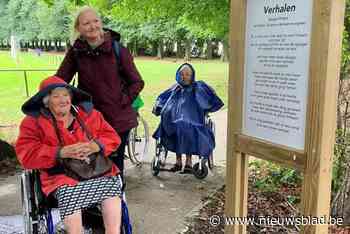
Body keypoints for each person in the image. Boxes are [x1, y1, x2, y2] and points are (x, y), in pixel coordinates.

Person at [16, 76, 123, 234]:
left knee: (112, 187)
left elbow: (112, 138)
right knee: (69, 192)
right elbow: (26, 153)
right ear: (46, 101)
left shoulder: (90, 115)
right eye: (56, 96)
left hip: (95, 170)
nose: (63, 100)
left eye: (66, 95)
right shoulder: (33, 122)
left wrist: (96, 146)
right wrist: (59, 152)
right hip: (60, 176)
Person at [56, 6, 144, 181]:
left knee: (114, 167)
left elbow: (137, 82)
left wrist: (122, 100)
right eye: (86, 23)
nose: (92, 26)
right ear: (79, 28)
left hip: (118, 119)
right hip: (89, 119)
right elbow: (60, 80)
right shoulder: (76, 52)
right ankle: (96, 203)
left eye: (95, 21)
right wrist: (48, 97)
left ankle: (117, 203)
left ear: (101, 23)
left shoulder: (118, 50)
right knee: (91, 165)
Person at [152, 63, 224, 173]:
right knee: (176, 126)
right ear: (177, 75)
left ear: (192, 76)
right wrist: (159, 108)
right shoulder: (174, 88)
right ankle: (178, 161)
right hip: (173, 121)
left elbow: (209, 99)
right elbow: (162, 99)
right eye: (181, 74)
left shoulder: (198, 88)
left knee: (185, 126)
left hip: (193, 121)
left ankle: (188, 162)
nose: (184, 77)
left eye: (187, 74)